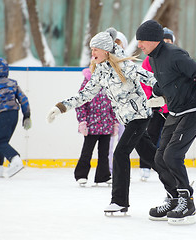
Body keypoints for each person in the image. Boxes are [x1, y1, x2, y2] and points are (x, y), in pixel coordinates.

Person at [47, 27, 164, 213]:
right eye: (91, 49)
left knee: (120, 153)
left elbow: (152, 79)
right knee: (150, 155)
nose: (92, 53)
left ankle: (119, 201)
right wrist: (61, 107)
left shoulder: (126, 66)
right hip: (127, 119)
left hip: (139, 116)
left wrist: (162, 96)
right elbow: (85, 95)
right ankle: (178, 184)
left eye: (95, 49)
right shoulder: (101, 71)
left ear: (106, 50)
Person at [136, 20, 196, 225]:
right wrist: (156, 92)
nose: (139, 45)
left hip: (193, 111)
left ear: (154, 40)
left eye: (142, 41)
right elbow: (169, 82)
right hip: (175, 111)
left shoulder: (174, 54)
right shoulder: (153, 59)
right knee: (159, 158)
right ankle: (173, 198)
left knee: (173, 155)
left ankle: (186, 202)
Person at [0, 57, 31, 178]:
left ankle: (15, 159)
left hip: (3, 115)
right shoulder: (13, 83)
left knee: (1, 142)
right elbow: (23, 99)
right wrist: (26, 116)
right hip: (14, 114)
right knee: (0, 139)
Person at [138, 27, 174, 181]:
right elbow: (144, 83)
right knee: (150, 134)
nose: (166, 43)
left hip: (171, 106)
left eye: (169, 41)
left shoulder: (175, 57)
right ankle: (146, 165)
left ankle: (169, 164)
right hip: (154, 105)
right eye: (163, 40)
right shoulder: (149, 59)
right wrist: (151, 100)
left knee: (170, 136)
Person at [74, 62, 118, 187]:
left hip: (106, 124)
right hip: (91, 125)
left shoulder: (109, 83)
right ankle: (81, 175)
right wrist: (82, 121)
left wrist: (115, 121)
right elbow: (80, 102)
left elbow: (113, 103)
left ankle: (103, 176)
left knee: (104, 153)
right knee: (87, 152)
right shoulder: (87, 83)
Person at [107, 31, 128, 174]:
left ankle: (121, 171)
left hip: (124, 109)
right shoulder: (102, 63)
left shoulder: (127, 64)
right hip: (106, 111)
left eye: (118, 43)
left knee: (123, 142)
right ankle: (108, 169)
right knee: (108, 143)